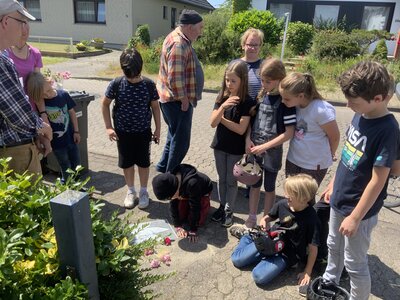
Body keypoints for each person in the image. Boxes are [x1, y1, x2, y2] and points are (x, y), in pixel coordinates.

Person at [321, 61, 399, 300]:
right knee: (333, 244)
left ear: (378, 98)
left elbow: (378, 180)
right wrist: (334, 183)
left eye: (353, 102)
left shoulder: (388, 129)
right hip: (339, 198)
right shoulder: (360, 114)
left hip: (360, 211)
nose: (348, 106)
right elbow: (348, 155)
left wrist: (355, 217)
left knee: (355, 262)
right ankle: (330, 280)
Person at [279, 72, 340, 260]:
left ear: (301, 95)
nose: (283, 101)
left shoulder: (321, 109)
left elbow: (335, 136)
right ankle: (292, 234)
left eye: (286, 98)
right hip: (294, 159)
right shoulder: (294, 105)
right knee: (292, 199)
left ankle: (312, 244)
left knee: (306, 203)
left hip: (314, 165)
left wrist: (329, 154)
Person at [231, 174, 320, 293]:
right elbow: (268, 218)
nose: (285, 195)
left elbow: (313, 248)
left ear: (303, 198)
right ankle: (248, 236)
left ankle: (262, 254)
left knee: (259, 276)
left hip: (287, 254)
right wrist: (264, 221)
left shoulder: (312, 218)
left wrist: (307, 272)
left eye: (290, 194)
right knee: (237, 260)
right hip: (271, 241)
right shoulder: (283, 204)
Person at [102, 48, 161, 209]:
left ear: (140, 68)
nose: (133, 79)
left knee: (143, 163)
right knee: (127, 163)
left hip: (143, 132)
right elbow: (105, 104)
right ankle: (131, 191)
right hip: (122, 133)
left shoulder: (149, 85)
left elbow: (155, 107)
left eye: (135, 75)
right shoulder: (116, 84)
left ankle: (143, 191)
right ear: (123, 69)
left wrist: (158, 129)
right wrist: (108, 127)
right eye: (130, 76)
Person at [0, 0, 52, 175]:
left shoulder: (4, 57)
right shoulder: (1, 61)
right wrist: (43, 128)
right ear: (6, 21)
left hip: (18, 143)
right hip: (12, 152)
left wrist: (36, 131)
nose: (25, 29)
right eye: (22, 22)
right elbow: (17, 114)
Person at [244, 58, 296, 228]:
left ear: (280, 79)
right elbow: (252, 122)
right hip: (255, 148)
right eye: (262, 81)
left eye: (268, 81)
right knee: (254, 184)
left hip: (271, 152)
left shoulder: (285, 101)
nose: (264, 84)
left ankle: (265, 218)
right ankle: (252, 215)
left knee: (269, 186)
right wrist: (248, 139)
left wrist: (265, 146)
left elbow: (289, 132)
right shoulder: (261, 96)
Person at [156, 9, 204, 173]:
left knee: (173, 136)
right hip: (177, 102)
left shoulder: (180, 38)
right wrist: (184, 99)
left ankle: (163, 169)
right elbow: (175, 78)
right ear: (190, 27)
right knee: (181, 142)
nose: (201, 31)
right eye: (200, 28)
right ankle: (170, 178)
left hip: (171, 100)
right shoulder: (179, 43)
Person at [210, 60, 256, 227]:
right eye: (227, 80)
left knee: (231, 180)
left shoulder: (247, 101)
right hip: (219, 145)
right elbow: (212, 123)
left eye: (233, 81)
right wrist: (222, 107)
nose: (229, 84)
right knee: (221, 179)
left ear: (242, 80)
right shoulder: (222, 97)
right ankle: (222, 207)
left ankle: (230, 209)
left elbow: (240, 129)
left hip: (235, 149)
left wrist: (221, 118)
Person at [26, 72, 80, 183]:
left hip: (70, 138)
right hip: (57, 143)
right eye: (43, 95)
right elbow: (43, 125)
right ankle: (68, 185)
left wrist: (76, 131)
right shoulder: (42, 104)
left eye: (48, 91)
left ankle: (77, 184)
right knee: (65, 165)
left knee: (77, 163)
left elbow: (72, 113)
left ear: (51, 82)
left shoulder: (63, 95)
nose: (47, 95)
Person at [152, 163, 213, 243]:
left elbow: (195, 207)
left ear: (175, 190)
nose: (170, 199)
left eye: (170, 197)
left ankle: (205, 203)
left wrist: (193, 230)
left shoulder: (192, 183)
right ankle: (186, 200)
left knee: (199, 221)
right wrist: (177, 225)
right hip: (185, 192)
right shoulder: (172, 181)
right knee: (181, 217)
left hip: (202, 192)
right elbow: (173, 205)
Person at [6, 21, 42, 109]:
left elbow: (38, 88)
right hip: (12, 109)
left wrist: (43, 113)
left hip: (31, 109)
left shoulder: (35, 53)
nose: (24, 29)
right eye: (20, 24)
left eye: (26, 24)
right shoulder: (4, 53)